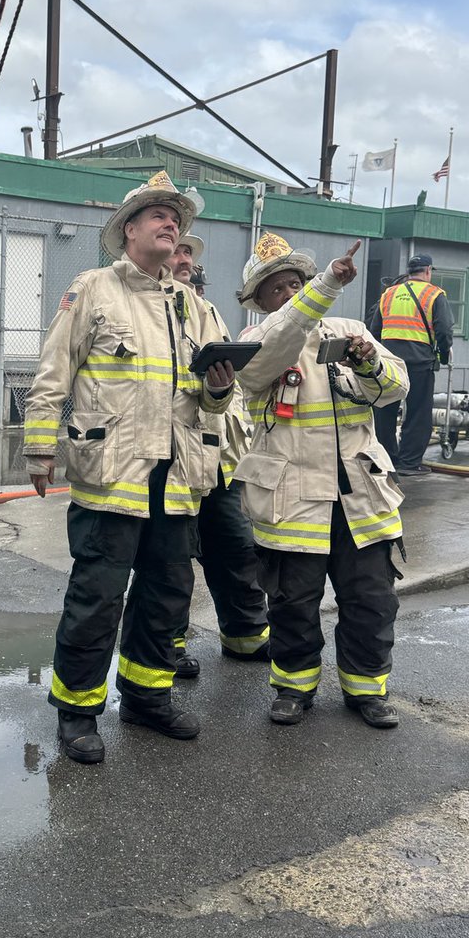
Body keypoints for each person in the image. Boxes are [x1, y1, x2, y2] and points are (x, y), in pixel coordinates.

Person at [23, 170, 235, 765]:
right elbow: (53, 368)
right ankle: (79, 711)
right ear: (129, 231)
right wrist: (39, 447)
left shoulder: (194, 305)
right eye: (158, 216)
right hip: (112, 472)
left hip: (178, 478)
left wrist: (218, 389)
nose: (172, 224)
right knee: (98, 596)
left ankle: (146, 696)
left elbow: (218, 397)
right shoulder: (93, 288)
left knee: (167, 595)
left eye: (177, 218)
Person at [233, 233, 408, 729]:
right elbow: (269, 357)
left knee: (371, 601)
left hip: (360, 497)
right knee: (292, 603)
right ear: (259, 301)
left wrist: (368, 363)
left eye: (295, 283)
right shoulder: (253, 342)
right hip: (290, 499)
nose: (288, 293)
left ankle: (367, 690)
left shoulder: (351, 329)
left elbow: (395, 388)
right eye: (276, 289)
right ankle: (293, 688)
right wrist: (324, 288)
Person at [165, 234, 269, 676]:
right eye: (179, 251)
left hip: (221, 459)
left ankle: (246, 636)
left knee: (238, 550)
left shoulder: (206, 314)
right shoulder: (141, 309)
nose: (186, 260)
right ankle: (166, 646)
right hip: (174, 461)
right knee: (171, 562)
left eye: (191, 255)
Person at [369, 253, 454, 477]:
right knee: (417, 413)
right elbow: (444, 330)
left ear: (409, 272)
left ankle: (387, 458)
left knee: (385, 411)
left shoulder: (389, 293)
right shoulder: (435, 294)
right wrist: (444, 355)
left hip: (388, 363)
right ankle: (408, 463)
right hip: (419, 363)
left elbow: (374, 330)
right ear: (428, 271)